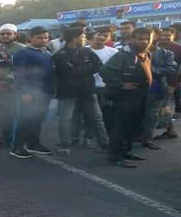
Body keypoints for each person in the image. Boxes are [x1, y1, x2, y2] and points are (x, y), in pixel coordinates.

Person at [100, 28, 155, 168]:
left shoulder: (146, 53)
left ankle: (125, 151)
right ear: (132, 39)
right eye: (140, 38)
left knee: (132, 126)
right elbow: (104, 71)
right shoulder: (124, 55)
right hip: (124, 97)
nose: (144, 41)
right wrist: (121, 84)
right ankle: (114, 156)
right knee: (120, 127)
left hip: (140, 96)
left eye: (147, 39)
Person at [52, 28, 107, 156]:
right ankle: (65, 145)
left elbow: (98, 66)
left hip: (87, 90)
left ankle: (105, 144)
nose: (85, 39)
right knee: (65, 120)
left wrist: (80, 70)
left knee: (97, 118)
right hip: (67, 92)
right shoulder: (60, 54)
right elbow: (65, 72)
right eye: (82, 37)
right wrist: (85, 70)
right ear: (74, 38)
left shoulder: (87, 51)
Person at [9, 26, 55, 159]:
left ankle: (33, 144)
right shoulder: (23, 53)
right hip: (30, 93)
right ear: (31, 38)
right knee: (25, 120)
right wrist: (24, 92)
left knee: (37, 120)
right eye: (39, 38)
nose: (43, 40)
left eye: (45, 37)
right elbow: (19, 74)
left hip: (45, 92)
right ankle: (16, 147)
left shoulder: (46, 52)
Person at [72, 27, 118, 147]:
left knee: (96, 115)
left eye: (105, 36)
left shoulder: (113, 52)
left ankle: (89, 137)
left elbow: (117, 70)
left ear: (109, 38)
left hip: (103, 87)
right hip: (84, 87)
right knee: (79, 114)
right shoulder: (83, 50)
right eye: (100, 34)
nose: (102, 37)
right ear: (94, 35)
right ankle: (75, 138)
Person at [138, 30, 177, 150]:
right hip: (137, 88)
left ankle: (147, 139)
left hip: (157, 87)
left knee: (152, 114)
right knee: (137, 113)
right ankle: (138, 135)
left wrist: (150, 71)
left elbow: (171, 68)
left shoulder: (166, 53)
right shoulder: (136, 51)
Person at [153, 27, 181, 140]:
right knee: (159, 106)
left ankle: (170, 131)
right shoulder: (156, 47)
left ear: (173, 36)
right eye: (162, 35)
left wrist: (173, 85)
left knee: (162, 106)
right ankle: (169, 130)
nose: (164, 37)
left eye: (168, 35)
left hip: (170, 83)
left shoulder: (178, 49)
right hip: (155, 83)